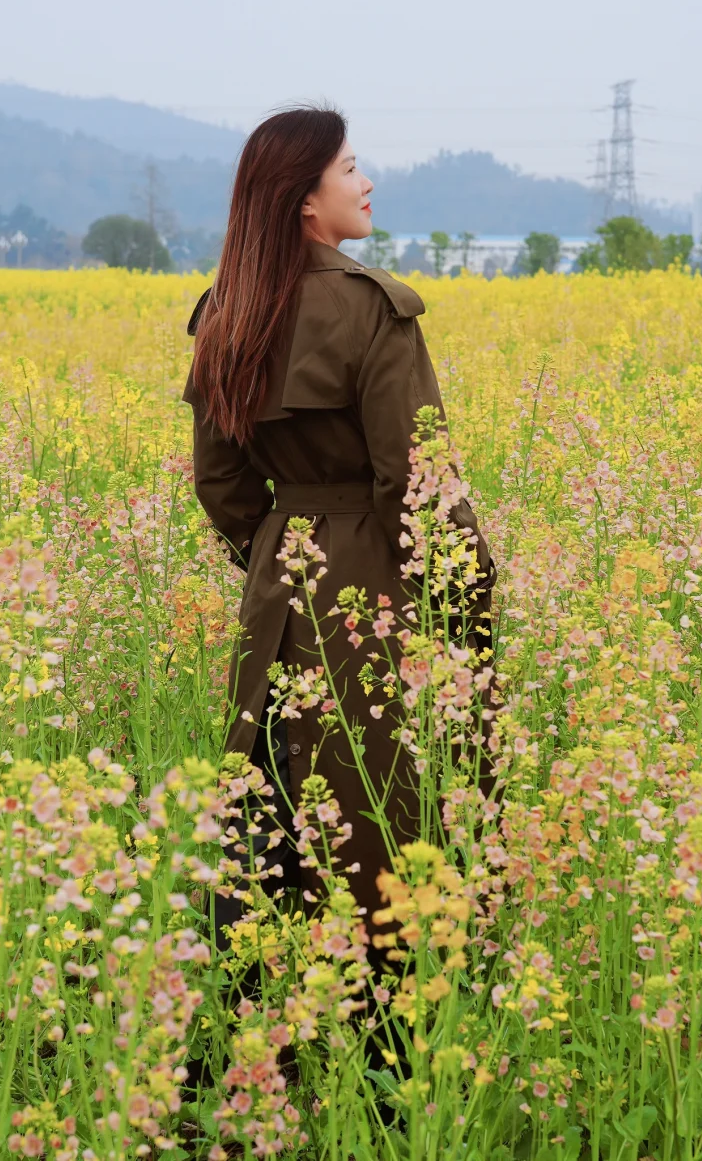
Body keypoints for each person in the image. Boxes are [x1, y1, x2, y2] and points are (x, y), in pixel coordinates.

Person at [182, 105, 491, 945]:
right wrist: (466, 604)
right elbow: (416, 480)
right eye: (350, 168)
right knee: (385, 804)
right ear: (304, 199)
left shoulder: (227, 312)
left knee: (273, 798)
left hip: (279, 587)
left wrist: (280, 550)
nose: (367, 182)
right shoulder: (373, 308)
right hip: (376, 586)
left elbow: (220, 479)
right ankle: (390, 1011)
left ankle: (266, 999)